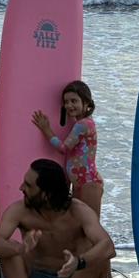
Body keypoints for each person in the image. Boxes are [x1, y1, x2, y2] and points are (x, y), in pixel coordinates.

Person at [32, 79, 102, 215]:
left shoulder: (83, 124)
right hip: (80, 183)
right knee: (80, 227)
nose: (69, 105)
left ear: (86, 102)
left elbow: (64, 149)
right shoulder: (81, 123)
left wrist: (46, 129)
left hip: (89, 183)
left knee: (91, 230)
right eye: (66, 102)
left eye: (74, 101)